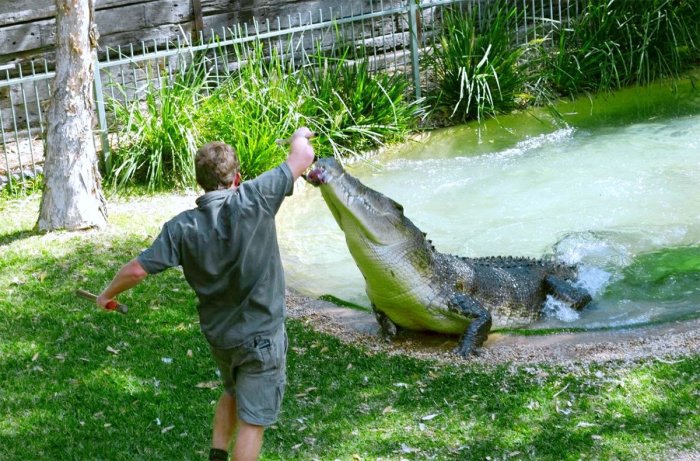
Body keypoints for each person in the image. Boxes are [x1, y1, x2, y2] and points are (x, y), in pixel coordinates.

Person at [96, 127, 316, 461]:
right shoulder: (255, 197)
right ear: (237, 177)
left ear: (199, 182)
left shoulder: (181, 228)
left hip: (222, 339)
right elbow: (303, 157)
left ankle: (216, 455)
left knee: (232, 391)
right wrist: (299, 135)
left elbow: (137, 269)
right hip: (262, 338)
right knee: (253, 423)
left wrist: (105, 294)